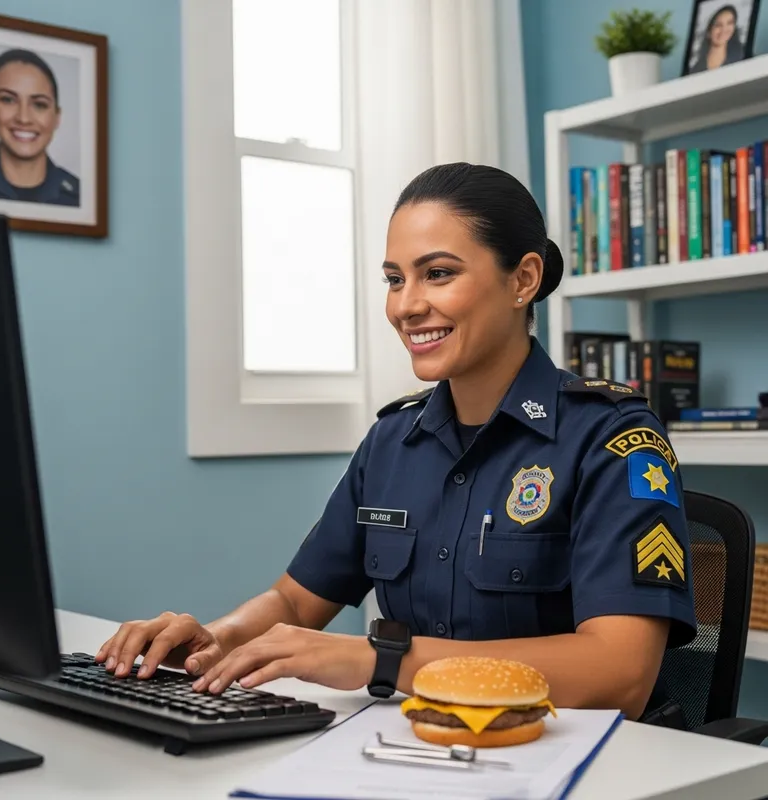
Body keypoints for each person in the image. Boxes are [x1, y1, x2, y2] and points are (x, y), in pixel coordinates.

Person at [95, 163, 696, 722]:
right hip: (413, 748)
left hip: (565, 758)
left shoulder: (613, 438)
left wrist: (386, 660)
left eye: (438, 273)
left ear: (524, 279)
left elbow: (621, 672)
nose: (406, 306)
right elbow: (297, 603)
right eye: (393, 279)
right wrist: (215, 641)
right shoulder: (392, 441)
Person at [0, 48, 79, 207]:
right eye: (8, 100)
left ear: (57, 116)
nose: (23, 118)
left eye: (39, 104)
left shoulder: (80, 197)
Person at [689, 4, 745, 73]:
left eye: (730, 23)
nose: (724, 29)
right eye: (718, 25)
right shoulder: (696, 70)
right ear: (708, 32)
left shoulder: (742, 54)